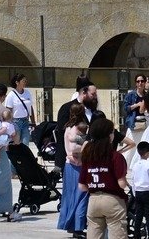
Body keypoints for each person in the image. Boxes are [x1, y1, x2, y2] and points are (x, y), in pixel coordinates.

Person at [81, 116, 131, 239]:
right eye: (112, 132)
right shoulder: (116, 156)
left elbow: (82, 186)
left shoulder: (88, 156)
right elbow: (122, 184)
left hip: (93, 200)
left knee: (93, 234)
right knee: (117, 233)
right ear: (109, 135)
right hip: (113, 200)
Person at [57, 101, 91, 235]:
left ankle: (70, 225)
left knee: (70, 196)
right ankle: (78, 226)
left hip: (68, 165)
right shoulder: (78, 128)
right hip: (78, 165)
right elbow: (75, 148)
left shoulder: (68, 127)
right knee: (81, 196)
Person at [128, 138, 149, 230]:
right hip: (148, 194)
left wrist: (135, 193)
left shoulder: (135, 165)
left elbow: (133, 180)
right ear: (147, 153)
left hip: (138, 193)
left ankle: (136, 235)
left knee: (138, 216)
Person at [8, 72, 37, 145]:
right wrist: (9, 124)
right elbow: (9, 111)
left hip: (25, 121)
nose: (25, 82)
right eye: (23, 81)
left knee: (25, 144)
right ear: (17, 82)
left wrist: (33, 122)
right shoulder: (11, 95)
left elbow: (30, 108)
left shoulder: (27, 93)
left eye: (25, 81)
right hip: (15, 122)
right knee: (16, 144)